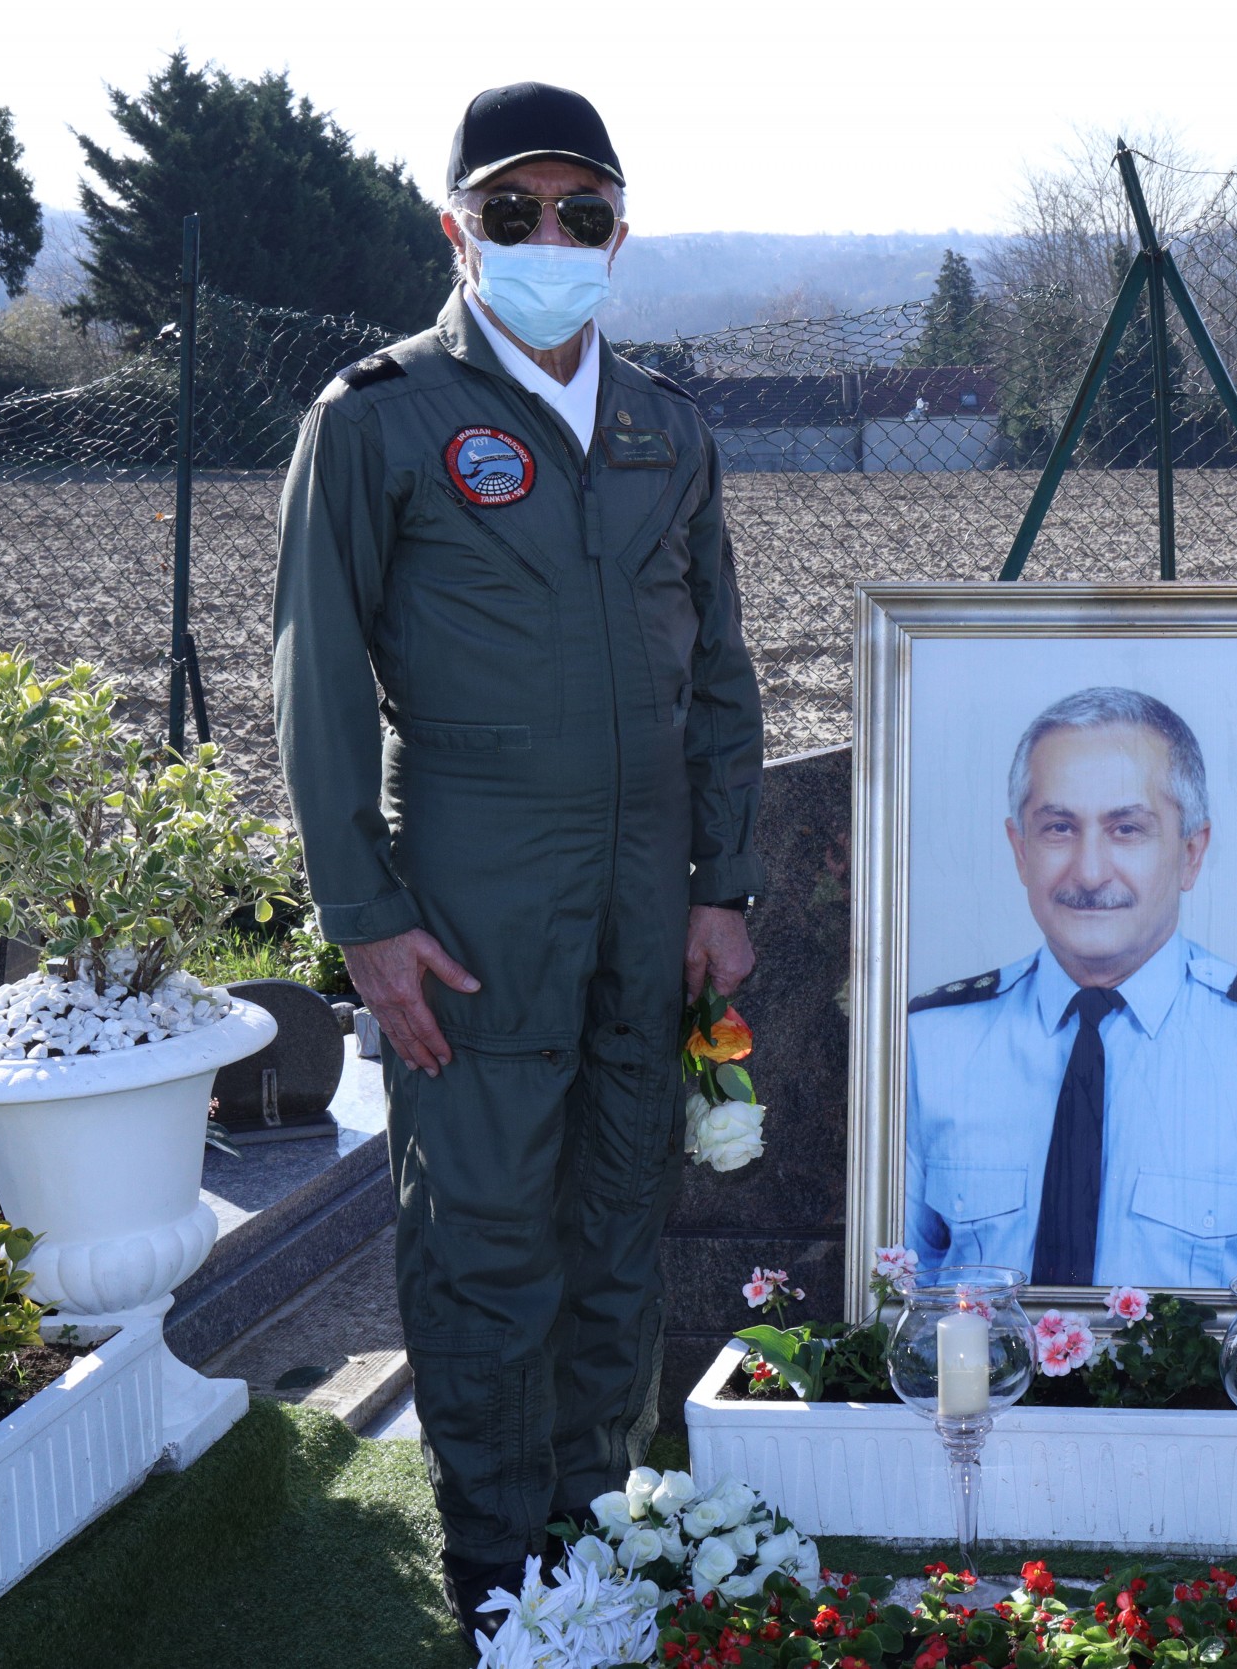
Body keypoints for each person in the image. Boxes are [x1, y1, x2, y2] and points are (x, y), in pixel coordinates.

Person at [271, 82, 764, 1652]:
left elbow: (725, 672)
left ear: (621, 230)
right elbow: (318, 679)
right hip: (474, 892)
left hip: (643, 896)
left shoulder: (666, 424)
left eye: (583, 213)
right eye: (515, 212)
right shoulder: (379, 415)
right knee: (485, 1231)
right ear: (457, 227)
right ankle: (498, 1574)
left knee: (621, 1221)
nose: (552, 239)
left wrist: (722, 882)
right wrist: (367, 922)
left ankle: (594, 1530)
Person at [904, 686, 1237, 1287]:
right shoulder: (931, 1042)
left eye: (1127, 829)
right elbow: (889, 1302)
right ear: (1020, 852)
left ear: (1190, 854)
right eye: (1058, 829)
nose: (1091, 872)